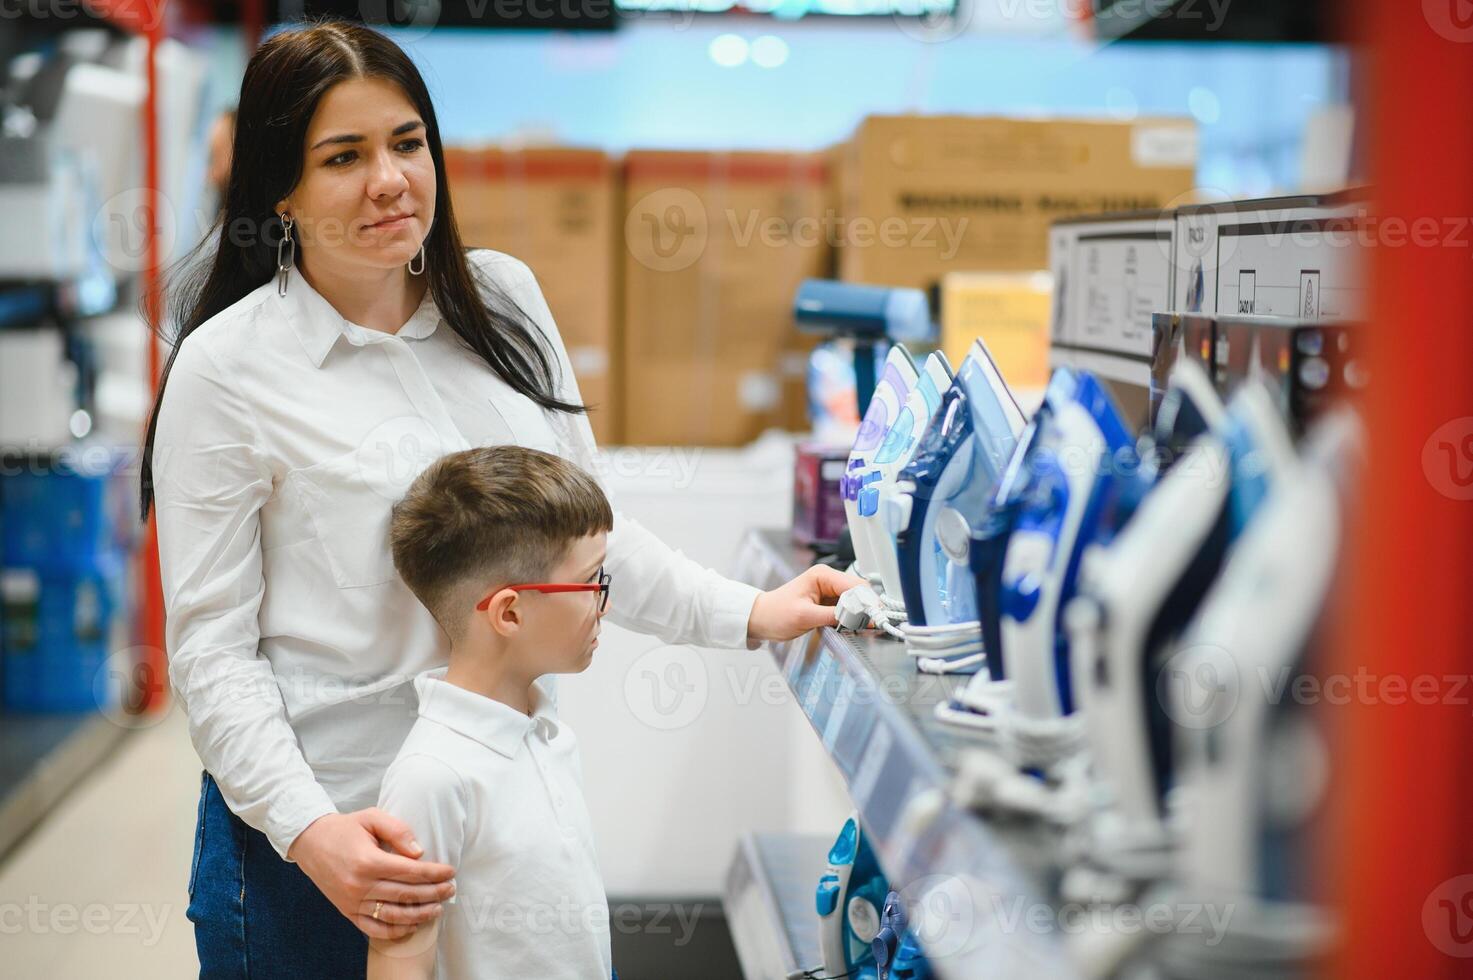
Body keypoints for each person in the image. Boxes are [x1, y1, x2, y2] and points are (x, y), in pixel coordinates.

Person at [142, 19, 861, 978]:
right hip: (320, 851)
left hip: (502, 818)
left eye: (407, 142)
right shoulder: (227, 370)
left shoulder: (502, 303)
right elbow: (212, 651)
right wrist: (314, 834)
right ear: (281, 187)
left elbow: (585, 537)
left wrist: (754, 612)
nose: (390, 179)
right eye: (342, 156)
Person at [369, 444, 616, 980]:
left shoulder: (547, 732)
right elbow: (398, 964)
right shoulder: (433, 778)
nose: (605, 602)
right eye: (593, 582)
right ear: (509, 612)